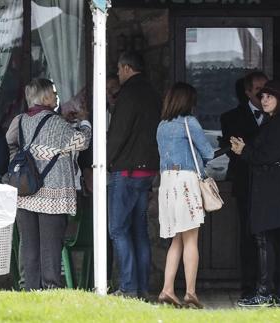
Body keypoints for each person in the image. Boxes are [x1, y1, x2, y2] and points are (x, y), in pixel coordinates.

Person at [6, 78, 91, 290]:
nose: (56, 96)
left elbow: (9, 141)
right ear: (44, 97)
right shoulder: (55, 122)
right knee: (51, 245)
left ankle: (31, 288)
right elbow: (82, 141)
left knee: (30, 245)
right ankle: (51, 287)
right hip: (52, 193)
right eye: (53, 93)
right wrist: (86, 123)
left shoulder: (21, 120)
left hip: (26, 190)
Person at [231, 80, 280, 307]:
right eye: (262, 96)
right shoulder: (274, 122)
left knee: (266, 238)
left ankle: (265, 292)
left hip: (274, 191)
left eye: (269, 97)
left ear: (279, 101)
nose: (264, 100)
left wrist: (244, 151)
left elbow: (267, 155)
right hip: (278, 190)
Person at [106, 51, 161, 299]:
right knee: (139, 231)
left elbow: (118, 133)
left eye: (119, 70)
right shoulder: (153, 93)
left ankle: (128, 287)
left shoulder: (129, 94)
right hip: (147, 171)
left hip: (126, 171)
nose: (118, 75)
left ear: (127, 68)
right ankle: (142, 288)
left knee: (118, 229)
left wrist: (105, 161)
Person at [156, 82, 214, 309]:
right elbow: (208, 152)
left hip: (167, 182)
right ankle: (190, 292)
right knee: (191, 239)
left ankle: (167, 289)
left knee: (176, 240)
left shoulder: (161, 126)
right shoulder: (190, 123)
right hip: (186, 182)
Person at [220, 71, 268, 299]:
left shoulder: (277, 114)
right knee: (248, 237)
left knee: (273, 235)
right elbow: (234, 153)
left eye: (265, 88)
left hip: (272, 186)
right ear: (248, 92)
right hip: (246, 182)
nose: (263, 93)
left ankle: (270, 284)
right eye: (258, 89)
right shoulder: (230, 118)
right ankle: (249, 286)